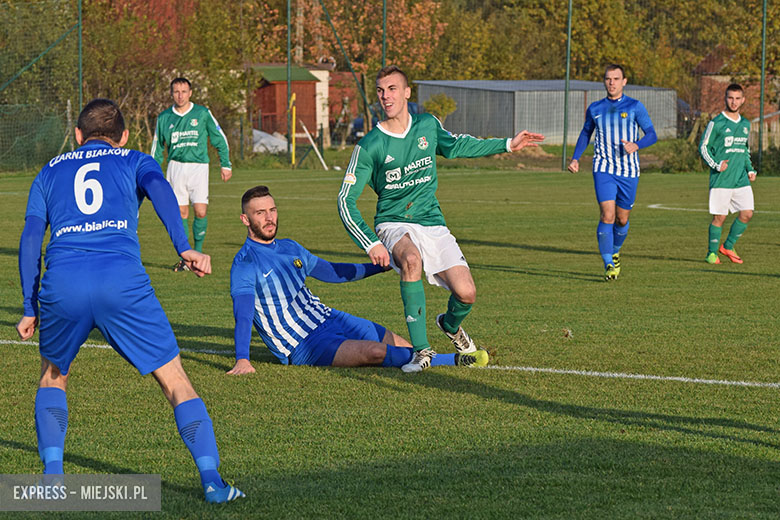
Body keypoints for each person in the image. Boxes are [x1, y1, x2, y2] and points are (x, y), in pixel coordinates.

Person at [16, 99, 244, 503]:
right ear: (123, 136)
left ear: (78, 136)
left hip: (63, 282)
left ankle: (52, 481)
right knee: (175, 382)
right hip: (122, 281)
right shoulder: (134, 159)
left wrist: (29, 305)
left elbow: (32, 237)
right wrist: (184, 246)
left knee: (53, 376)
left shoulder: (49, 170)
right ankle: (212, 482)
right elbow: (161, 191)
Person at [337, 65, 544, 373]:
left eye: (392, 89)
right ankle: (422, 352)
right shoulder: (370, 145)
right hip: (393, 222)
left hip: (432, 222)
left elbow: (458, 144)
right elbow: (345, 200)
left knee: (466, 293)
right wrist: (371, 243)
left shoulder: (427, 126)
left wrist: (507, 145)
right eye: (381, 90)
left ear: (407, 92)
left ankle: (449, 325)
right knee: (411, 261)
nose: (386, 96)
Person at [227, 185, 489, 374]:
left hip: (327, 317)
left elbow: (331, 272)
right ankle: (457, 360)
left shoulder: (290, 247)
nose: (269, 217)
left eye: (271, 210)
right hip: (303, 342)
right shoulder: (245, 264)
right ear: (245, 219)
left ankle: (434, 359)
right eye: (260, 213)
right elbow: (244, 315)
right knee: (373, 353)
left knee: (400, 343)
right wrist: (242, 359)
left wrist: (382, 267)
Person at [568, 64, 657, 281]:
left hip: (629, 170)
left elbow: (652, 134)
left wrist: (636, 145)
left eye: (616, 79)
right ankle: (608, 262)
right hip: (603, 168)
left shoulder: (635, 106)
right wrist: (576, 158)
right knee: (607, 214)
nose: (612, 82)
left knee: (622, 219)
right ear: (604, 81)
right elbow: (585, 133)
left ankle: (615, 250)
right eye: (608, 79)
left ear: (624, 81)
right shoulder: (595, 108)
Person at [151, 77, 232, 270]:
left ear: (191, 93)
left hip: (199, 168)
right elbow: (156, 149)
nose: (180, 95)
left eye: (184, 91)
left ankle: (199, 250)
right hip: (176, 167)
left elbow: (219, 138)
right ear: (171, 94)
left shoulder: (202, 113)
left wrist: (225, 164)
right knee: (181, 213)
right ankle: (188, 260)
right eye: (176, 92)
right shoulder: (164, 118)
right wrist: (152, 173)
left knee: (201, 211)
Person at [699, 83, 757, 264]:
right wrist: (716, 165)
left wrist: (750, 169)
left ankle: (728, 246)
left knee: (747, 213)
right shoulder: (716, 123)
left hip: (740, 179)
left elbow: (744, 150)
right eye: (730, 98)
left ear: (743, 100)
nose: (734, 102)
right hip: (722, 179)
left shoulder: (746, 124)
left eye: (738, 98)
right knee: (720, 217)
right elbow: (703, 147)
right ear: (725, 99)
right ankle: (712, 253)